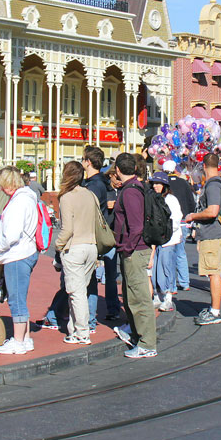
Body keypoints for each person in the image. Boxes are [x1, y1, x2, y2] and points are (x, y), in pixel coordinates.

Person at [111, 153, 157, 358]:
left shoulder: (130, 192)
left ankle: (147, 343)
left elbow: (136, 225)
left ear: (118, 170)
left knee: (139, 297)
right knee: (133, 295)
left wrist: (127, 248)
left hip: (135, 250)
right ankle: (140, 338)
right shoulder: (136, 187)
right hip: (135, 249)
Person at [0, 166, 40, 354]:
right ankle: (25, 338)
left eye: (2, 185)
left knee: (16, 300)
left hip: (17, 255)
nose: (1, 189)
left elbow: (11, 235)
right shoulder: (28, 198)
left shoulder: (18, 202)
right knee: (20, 297)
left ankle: (18, 341)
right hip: (27, 251)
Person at [54, 160, 99, 344]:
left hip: (75, 247)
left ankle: (82, 332)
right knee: (80, 291)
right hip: (91, 245)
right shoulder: (90, 195)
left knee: (76, 292)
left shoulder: (66, 197)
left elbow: (67, 229)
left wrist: (58, 245)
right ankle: (74, 330)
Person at [184, 153, 221, 326]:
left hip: (212, 234)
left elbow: (212, 211)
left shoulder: (213, 185)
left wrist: (193, 216)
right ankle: (213, 309)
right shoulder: (217, 183)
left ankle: (215, 312)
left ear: (204, 166)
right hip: (213, 233)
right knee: (213, 271)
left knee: (213, 273)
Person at [83, 146, 120, 322]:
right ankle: (111, 309)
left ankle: (93, 316)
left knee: (98, 276)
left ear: (88, 162)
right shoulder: (104, 184)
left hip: (102, 233)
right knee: (107, 275)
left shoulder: (94, 185)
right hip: (107, 232)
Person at [149, 171, 182, 312]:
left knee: (166, 267)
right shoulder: (151, 198)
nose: (155, 186)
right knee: (154, 269)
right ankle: (157, 296)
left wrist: (164, 232)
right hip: (154, 240)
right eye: (154, 183)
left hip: (168, 240)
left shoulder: (171, 200)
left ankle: (168, 297)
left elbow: (176, 219)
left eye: (158, 183)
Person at [162, 159, 195, 292]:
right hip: (183, 221)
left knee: (169, 255)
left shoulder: (163, 183)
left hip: (169, 222)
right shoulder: (184, 183)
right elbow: (191, 202)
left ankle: (172, 285)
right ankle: (185, 282)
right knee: (181, 253)